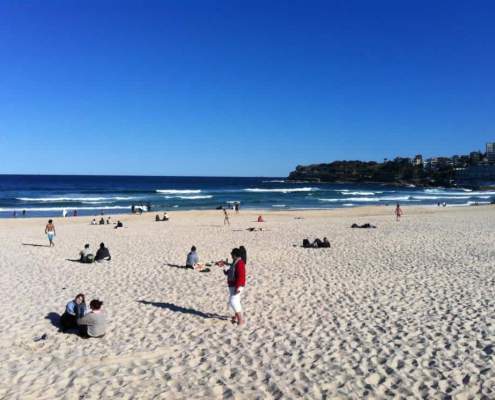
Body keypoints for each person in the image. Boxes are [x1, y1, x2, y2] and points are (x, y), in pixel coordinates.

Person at [222, 248, 246, 326]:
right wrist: (224, 268)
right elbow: (230, 271)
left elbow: (241, 276)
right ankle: (236, 317)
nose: (231, 255)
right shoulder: (235, 262)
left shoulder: (240, 263)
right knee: (236, 301)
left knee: (233, 301)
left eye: (232, 254)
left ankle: (241, 320)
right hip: (233, 285)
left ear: (235, 255)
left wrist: (238, 287)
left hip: (237, 285)